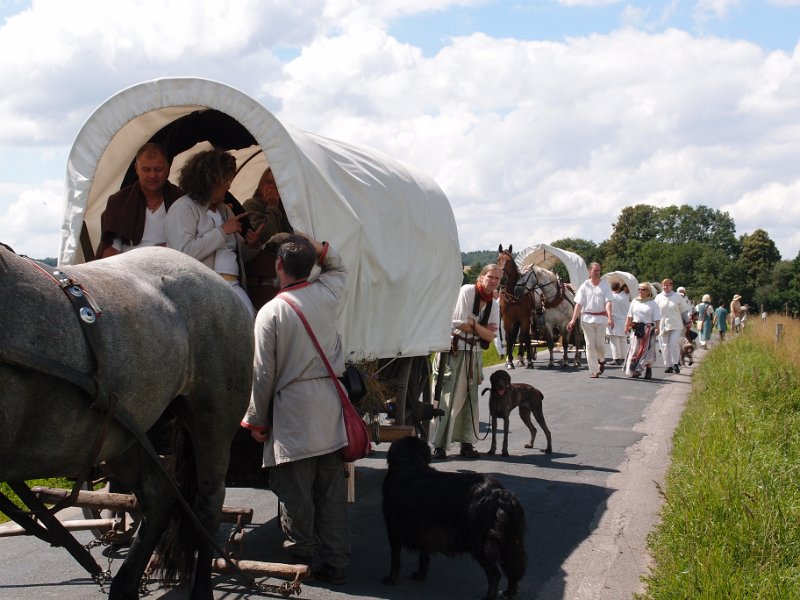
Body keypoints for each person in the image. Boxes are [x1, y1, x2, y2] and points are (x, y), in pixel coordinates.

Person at [241, 233, 350, 583]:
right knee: (330, 493)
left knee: (297, 493)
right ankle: (335, 561)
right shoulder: (329, 292)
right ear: (311, 265)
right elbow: (338, 265)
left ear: (278, 266)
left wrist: (256, 419)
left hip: (294, 415)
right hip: (330, 409)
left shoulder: (271, 312)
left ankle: (301, 557)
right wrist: (315, 247)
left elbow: (263, 373)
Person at [165, 148, 263, 320]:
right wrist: (222, 231)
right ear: (210, 181)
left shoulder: (225, 210)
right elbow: (184, 253)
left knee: (252, 327)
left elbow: (237, 256)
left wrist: (251, 246)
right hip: (203, 289)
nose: (229, 184)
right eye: (225, 179)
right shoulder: (183, 209)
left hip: (232, 285)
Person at [431, 264, 501, 459]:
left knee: (471, 399)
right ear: (481, 277)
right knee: (447, 398)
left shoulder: (494, 304)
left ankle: (466, 442)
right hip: (455, 351)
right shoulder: (468, 291)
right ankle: (439, 444)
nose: (493, 281)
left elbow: (490, 337)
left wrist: (475, 324)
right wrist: (481, 328)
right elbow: (458, 322)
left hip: (475, 354)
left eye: (497, 278)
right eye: (490, 276)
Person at [94, 142, 184, 259]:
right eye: (146, 170)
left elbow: (189, 243)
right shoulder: (119, 201)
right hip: (130, 267)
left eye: (158, 169)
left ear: (167, 168)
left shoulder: (181, 200)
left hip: (171, 263)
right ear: (137, 169)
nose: (152, 175)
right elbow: (110, 245)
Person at [567, 262, 614, 378]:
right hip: (587, 319)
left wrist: (610, 316)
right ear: (590, 271)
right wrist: (573, 320)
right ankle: (594, 370)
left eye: (598, 270)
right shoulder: (585, 286)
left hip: (601, 318)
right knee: (590, 345)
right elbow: (578, 304)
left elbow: (608, 302)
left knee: (599, 345)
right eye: (595, 270)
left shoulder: (605, 285)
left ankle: (601, 360)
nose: (597, 272)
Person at [242, 167, 292, 247]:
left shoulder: (285, 208)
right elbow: (264, 236)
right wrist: (272, 207)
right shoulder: (251, 204)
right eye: (269, 182)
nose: (272, 186)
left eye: (277, 183)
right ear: (261, 184)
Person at [624, 284, 661, 379]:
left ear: (648, 292)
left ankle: (648, 369)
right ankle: (634, 370)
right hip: (636, 328)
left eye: (643, 289)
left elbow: (657, 318)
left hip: (648, 328)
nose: (640, 291)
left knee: (647, 350)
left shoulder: (652, 303)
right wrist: (627, 326)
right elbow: (630, 315)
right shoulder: (634, 301)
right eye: (639, 289)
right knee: (635, 349)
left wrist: (657, 328)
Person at [654, 278, 691, 374]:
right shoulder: (658, 297)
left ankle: (675, 364)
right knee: (664, 345)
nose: (665, 287)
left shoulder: (677, 297)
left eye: (668, 285)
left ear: (671, 286)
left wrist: (688, 321)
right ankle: (668, 365)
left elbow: (684, 310)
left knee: (673, 344)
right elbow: (654, 311)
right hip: (662, 324)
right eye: (664, 285)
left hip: (675, 324)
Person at [607, 281, 631, 365]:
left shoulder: (610, 298)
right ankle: (624, 357)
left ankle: (616, 358)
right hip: (624, 321)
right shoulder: (624, 298)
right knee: (623, 340)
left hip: (614, 320)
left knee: (614, 341)